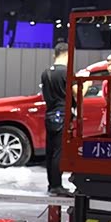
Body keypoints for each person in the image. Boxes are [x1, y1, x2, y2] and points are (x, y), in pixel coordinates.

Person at [41, 42, 72, 197]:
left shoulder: (46, 72)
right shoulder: (66, 72)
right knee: (58, 152)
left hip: (50, 115)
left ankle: (51, 184)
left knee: (50, 151)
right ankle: (57, 186)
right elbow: (75, 94)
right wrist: (86, 83)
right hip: (62, 115)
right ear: (67, 54)